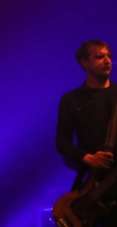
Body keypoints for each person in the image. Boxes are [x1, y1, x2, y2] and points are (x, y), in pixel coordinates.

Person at [56, 39, 117, 226]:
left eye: (109, 56)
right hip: (90, 188)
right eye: (100, 57)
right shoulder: (71, 99)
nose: (107, 60)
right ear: (85, 63)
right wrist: (87, 158)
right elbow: (62, 142)